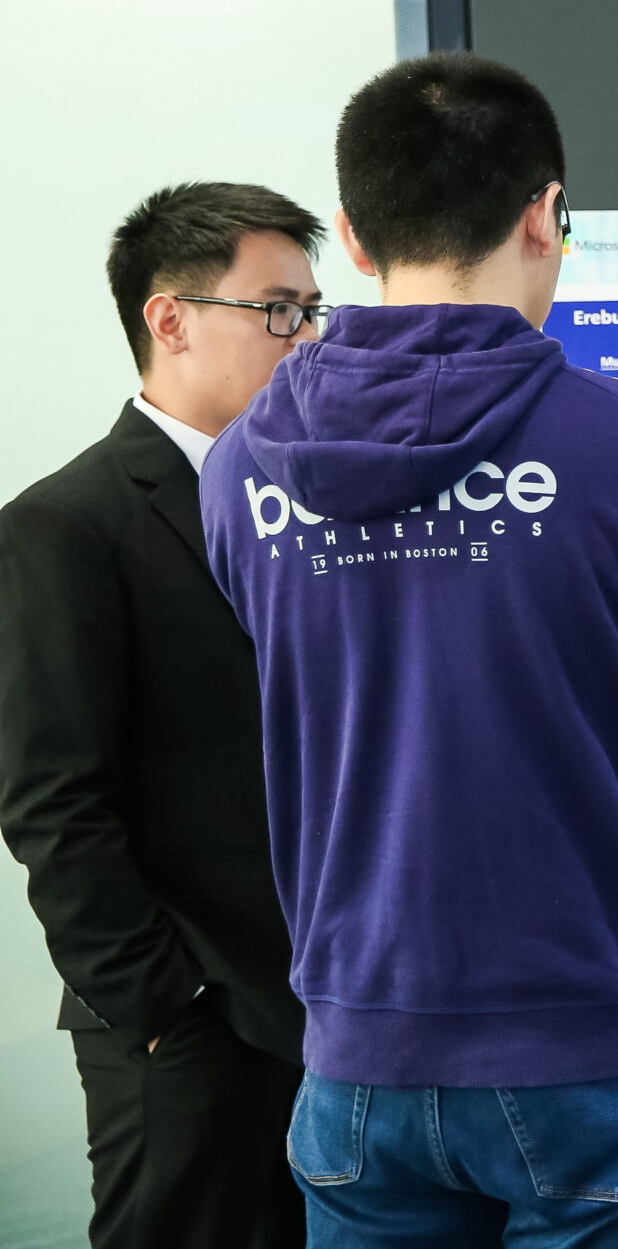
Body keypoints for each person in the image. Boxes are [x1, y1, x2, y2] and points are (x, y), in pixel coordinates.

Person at [198, 53, 618, 1245]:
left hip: (362, 1053)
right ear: (543, 215)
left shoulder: (241, 468)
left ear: (353, 237)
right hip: (607, 1035)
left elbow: (323, 679)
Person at [0, 184, 326, 1249]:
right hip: (190, 1021)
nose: (307, 338)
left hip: (338, 1007)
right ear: (170, 319)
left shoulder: (317, 507)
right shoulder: (66, 524)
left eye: (313, 310)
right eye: (276, 310)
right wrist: (162, 1004)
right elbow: (52, 801)